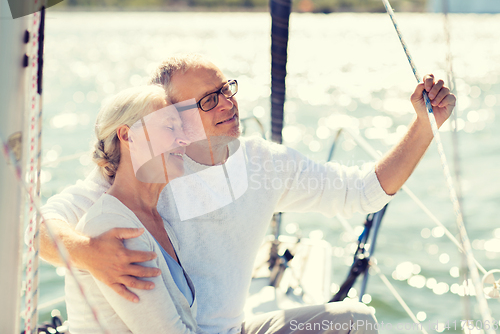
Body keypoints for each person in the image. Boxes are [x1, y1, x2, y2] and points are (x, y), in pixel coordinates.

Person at [38, 54, 456, 334]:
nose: (228, 104)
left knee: (355, 322)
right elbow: (34, 230)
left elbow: (360, 192)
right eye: (208, 100)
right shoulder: (137, 181)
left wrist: (424, 125)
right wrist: (86, 251)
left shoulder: (261, 163)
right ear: (170, 116)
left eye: (227, 90)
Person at [63, 85, 200, 333]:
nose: (184, 139)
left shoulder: (160, 221)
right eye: (170, 127)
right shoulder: (114, 225)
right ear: (127, 136)